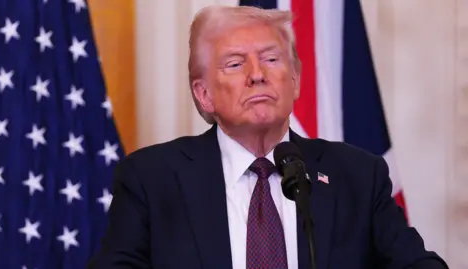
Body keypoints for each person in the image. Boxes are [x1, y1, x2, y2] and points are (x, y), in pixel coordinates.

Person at [87, 5, 448, 269]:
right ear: (204, 93)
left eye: (271, 59)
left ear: (295, 81)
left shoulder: (357, 175)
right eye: (235, 63)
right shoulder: (152, 179)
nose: (257, 75)